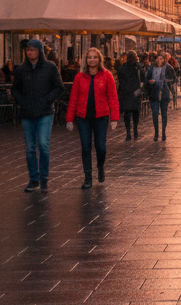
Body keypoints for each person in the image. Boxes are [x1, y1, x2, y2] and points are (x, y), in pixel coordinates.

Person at [12, 39, 64, 192]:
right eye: (28, 50)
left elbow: (59, 87)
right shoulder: (21, 69)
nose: (30, 52)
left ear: (39, 51)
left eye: (33, 50)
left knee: (43, 144)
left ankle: (44, 178)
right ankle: (34, 179)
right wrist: (23, 101)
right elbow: (15, 89)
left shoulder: (50, 67)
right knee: (30, 148)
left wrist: (46, 100)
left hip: (45, 112)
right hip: (27, 113)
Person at [66, 48, 120, 188]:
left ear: (99, 59)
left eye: (94, 57)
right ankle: (88, 177)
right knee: (85, 147)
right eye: (89, 57)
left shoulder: (107, 75)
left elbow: (113, 97)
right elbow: (73, 98)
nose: (92, 60)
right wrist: (69, 118)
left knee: (101, 146)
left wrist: (114, 118)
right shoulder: (79, 77)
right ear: (86, 60)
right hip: (83, 117)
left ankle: (100, 166)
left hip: (101, 116)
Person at [146, 53, 177, 141]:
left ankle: (163, 132)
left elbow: (173, 79)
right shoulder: (152, 68)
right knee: (155, 113)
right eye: (158, 58)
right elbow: (147, 79)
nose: (159, 60)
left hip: (164, 94)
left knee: (164, 114)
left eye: (161, 58)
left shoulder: (168, 68)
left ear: (164, 60)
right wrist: (149, 84)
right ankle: (156, 133)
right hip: (154, 94)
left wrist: (164, 83)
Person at [117, 50, 143, 140]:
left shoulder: (123, 68)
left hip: (126, 93)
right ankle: (135, 130)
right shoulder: (138, 67)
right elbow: (143, 78)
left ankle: (128, 132)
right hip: (135, 92)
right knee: (135, 113)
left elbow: (120, 80)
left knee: (127, 113)